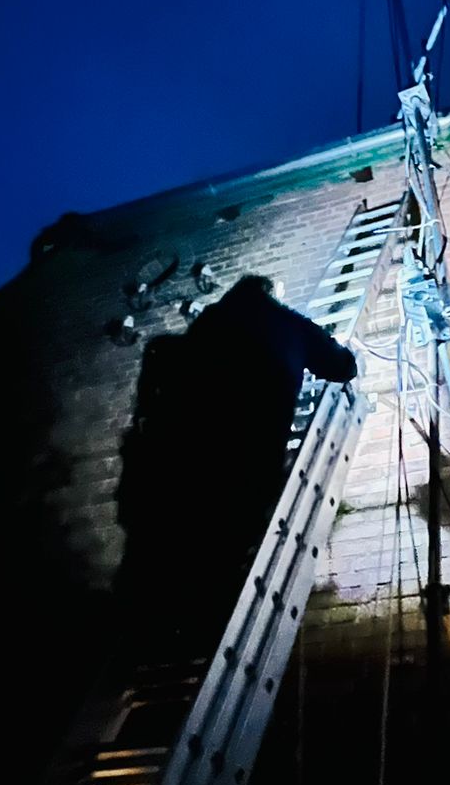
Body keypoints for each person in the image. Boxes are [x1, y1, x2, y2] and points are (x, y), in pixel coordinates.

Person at [116, 275, 358, 650]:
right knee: (230, 539)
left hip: (190, 450)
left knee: (181, 536)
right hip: (251, 449)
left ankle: (152, 622)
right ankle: (208, 627)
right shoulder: (286, 321)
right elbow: (341, 366)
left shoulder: (205, 326)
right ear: (269, 293)